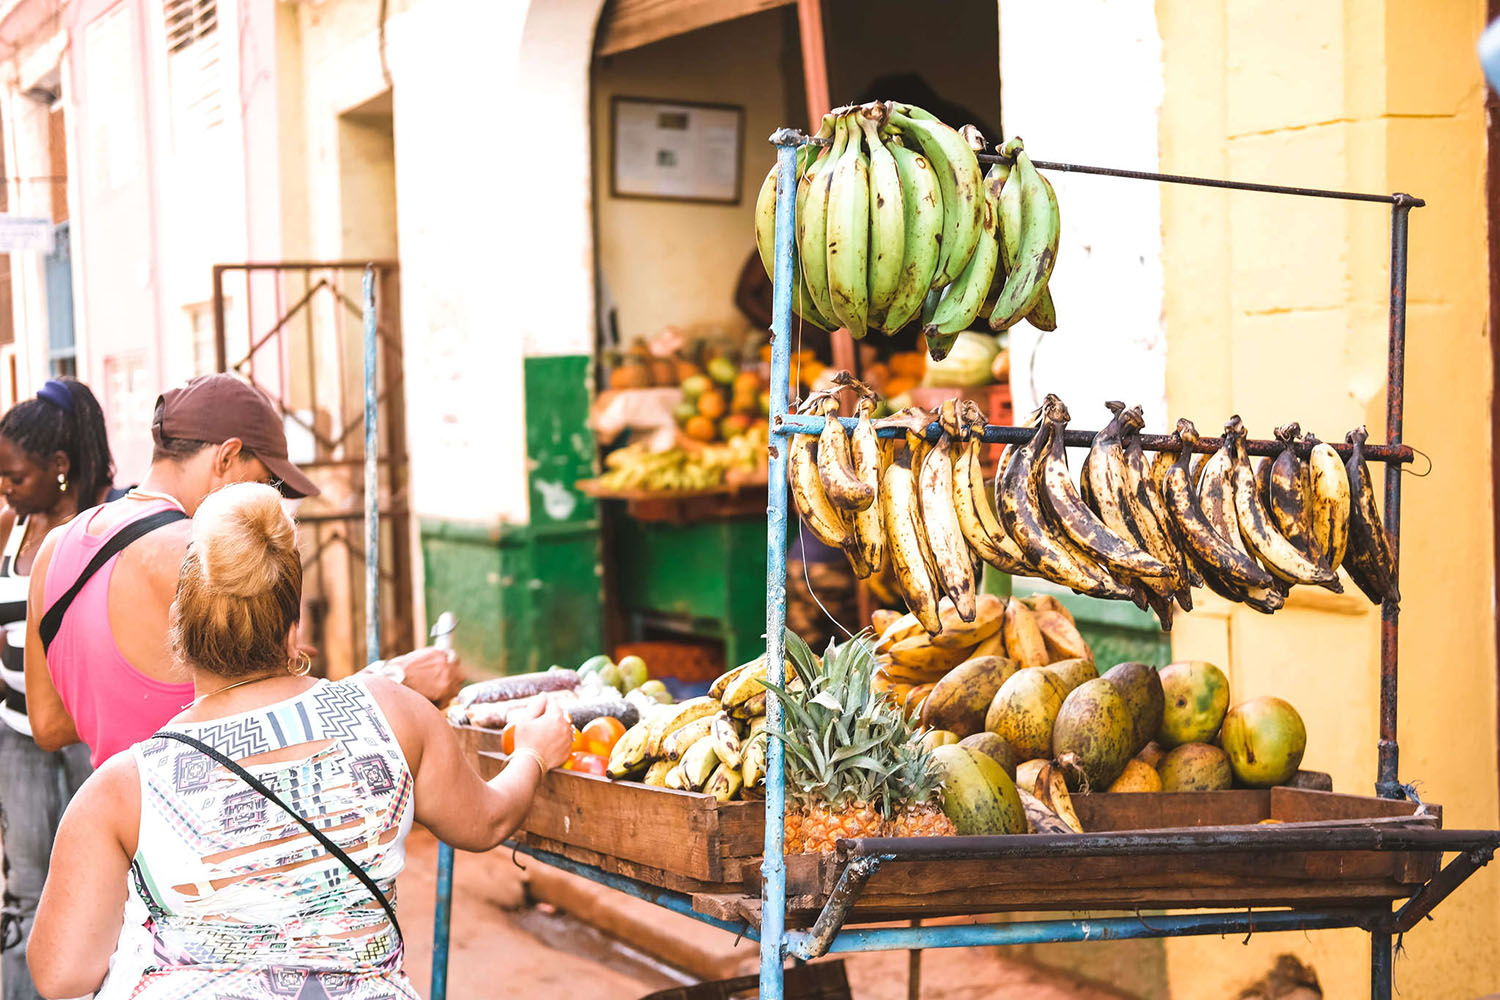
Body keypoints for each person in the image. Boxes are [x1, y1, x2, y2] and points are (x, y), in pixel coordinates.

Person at [28, 484, 575, 998]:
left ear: (178, 624)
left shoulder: (124, 789)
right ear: (293, 628)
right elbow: (487, 822)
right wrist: (531, 752)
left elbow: (60, 974)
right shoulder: (390, 711)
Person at [24, 373, 462, 768]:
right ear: (227, 456)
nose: (273, 500)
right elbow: (284, 716)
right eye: (266, 481)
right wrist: (396, 679)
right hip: (212, 834)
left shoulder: (53, 548)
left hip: (125, 837)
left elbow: (47, 724)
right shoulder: (203, 554)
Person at [0, 378, 121, 1000]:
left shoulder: (101, 529)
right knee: (26, 889)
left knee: (104, 886)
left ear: (60, 467)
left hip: (86, 738)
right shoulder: (11, 529)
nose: (7, 488)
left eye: (15, 476)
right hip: (18, 737)